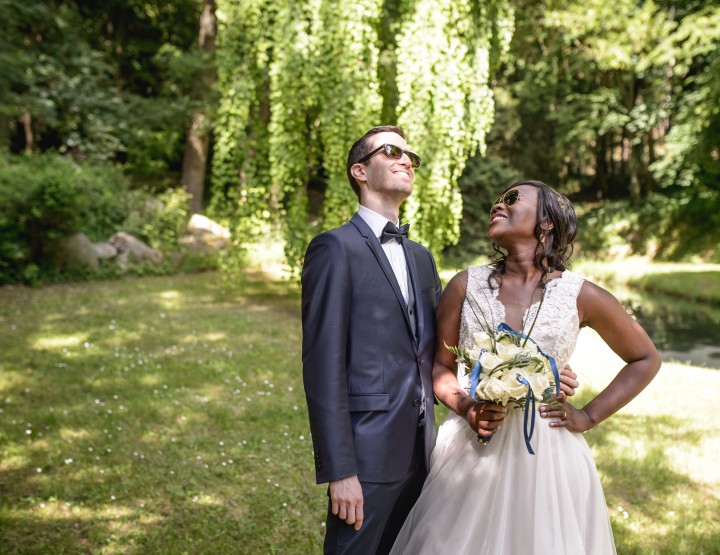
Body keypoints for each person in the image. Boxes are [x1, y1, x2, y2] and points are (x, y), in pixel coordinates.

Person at [302, 131, 579, 555]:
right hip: (367, 452)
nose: (406, 160)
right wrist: (341, 471)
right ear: (360, 171)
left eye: (410, 155)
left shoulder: (420, 257)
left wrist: (535, 370)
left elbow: (443, 352)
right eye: (391, 151)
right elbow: (322, 368)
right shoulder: (332, 248)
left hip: (427, 451)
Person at [389, 180, 662, 554]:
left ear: (546, 222)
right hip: (472, 448)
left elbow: (645, 358)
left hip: (549, 454)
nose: (498, 205)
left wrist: (588, 416)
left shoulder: (580, 294)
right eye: (497, 199)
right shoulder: (464, 286)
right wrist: (468, 408)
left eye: (512, 199)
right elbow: (441, 367)